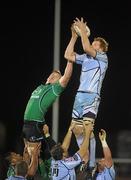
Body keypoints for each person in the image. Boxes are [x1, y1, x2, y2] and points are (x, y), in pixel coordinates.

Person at [64, 17, 109, 174]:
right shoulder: (86, 58)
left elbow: (86, 46)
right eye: (93, 43)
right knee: (76, 129)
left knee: (88, 128)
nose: (92, 46)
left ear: (101, 49)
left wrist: (83, 30)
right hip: (79, 97)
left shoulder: (103, 58)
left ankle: (90, 164)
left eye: (95, 45)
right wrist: (74, 36)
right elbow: (68, 55)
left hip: (91, 97)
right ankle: (85, 159)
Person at [22, 61, 73, 142]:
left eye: (57, 76)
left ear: (59, 81)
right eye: (52, 74)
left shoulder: (55, 88)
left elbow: (67, 76)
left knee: (35, 152)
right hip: (26, 124)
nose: (53, 75)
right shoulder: (40, 87)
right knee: (27, 152)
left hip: (35, 124)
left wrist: (70, 60)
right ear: (48, 78)